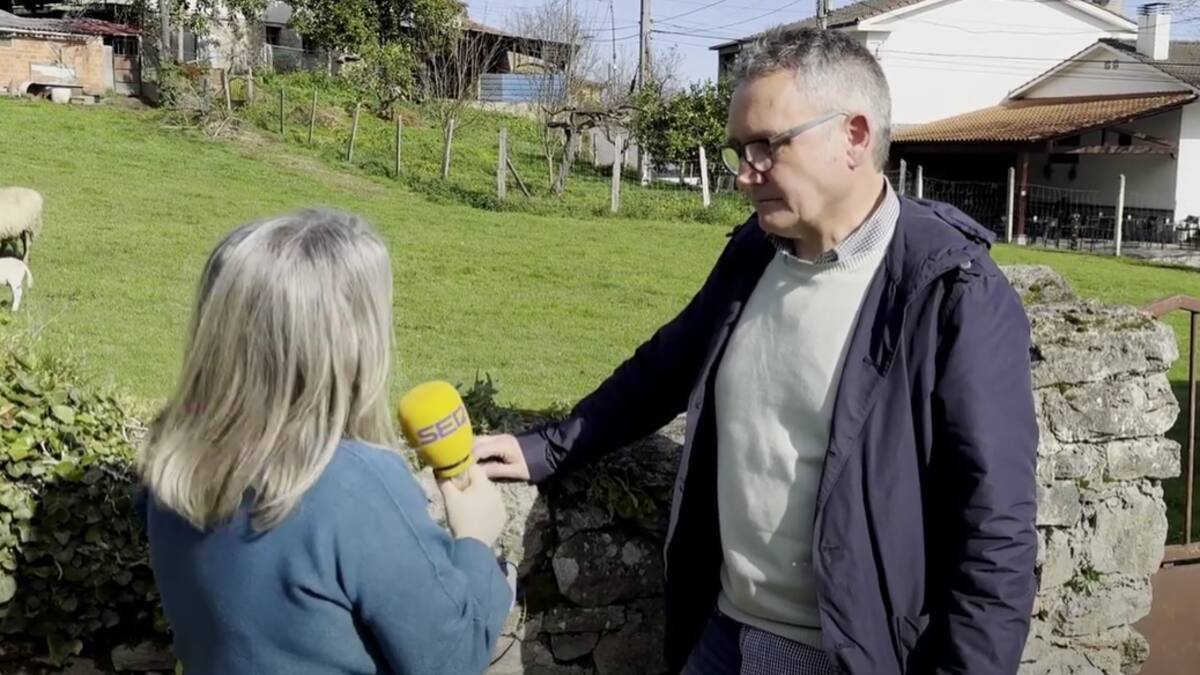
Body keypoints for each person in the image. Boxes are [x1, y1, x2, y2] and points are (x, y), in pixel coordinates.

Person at [473, 25, 1039, 675]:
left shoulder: (951, 289)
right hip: (723, 632)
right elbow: (662, 370)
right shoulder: (754, 253)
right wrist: (544, 448)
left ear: (854, 135)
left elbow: (995, 534)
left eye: (767, 146)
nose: (745, 174)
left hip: (851, 655)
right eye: (741, 149)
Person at [136, 208, 514, 675]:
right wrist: (477, 540)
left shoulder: (170, 458)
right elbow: (451, 660)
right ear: (350, 342)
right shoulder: (354, 486)